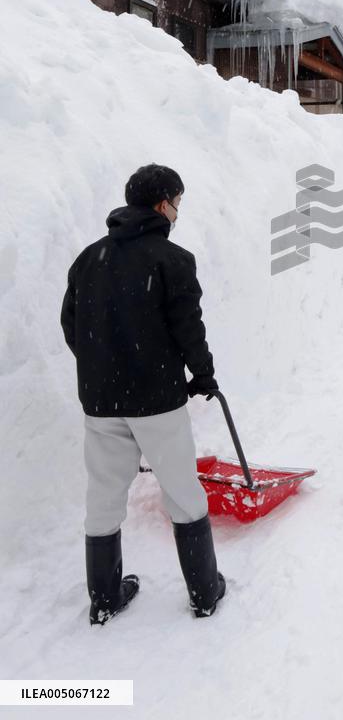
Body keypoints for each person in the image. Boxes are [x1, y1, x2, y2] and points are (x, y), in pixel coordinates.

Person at [60, 163, 226, 625]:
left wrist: (102, 366)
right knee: (182, 492)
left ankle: (106, 597)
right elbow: (187, 328)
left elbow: (71, 325)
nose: (178, 212)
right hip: (156, 401)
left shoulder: (88, 258)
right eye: (177, 203)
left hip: (100, 401)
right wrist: (204, 374)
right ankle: (204, 591)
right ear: (162, 204)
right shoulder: (172, 260)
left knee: (104, 493)